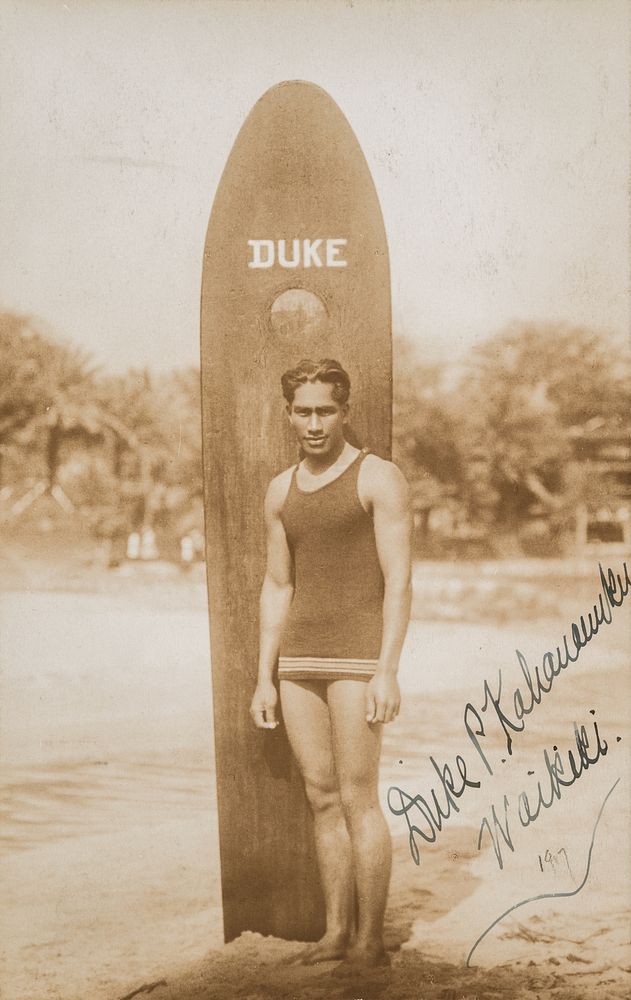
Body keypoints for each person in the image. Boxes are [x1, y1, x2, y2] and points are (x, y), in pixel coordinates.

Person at [249, 358, 412, 968]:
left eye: (325, 410)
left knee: (358, 796)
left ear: (344, 410)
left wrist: (387, 668)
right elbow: (276, 585)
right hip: (298, 662)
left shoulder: (379, 478)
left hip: (356, 658)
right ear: (288, 413)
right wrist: (264, 675)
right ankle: (334, 933)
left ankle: (370, 940)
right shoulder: (279, 489)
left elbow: (399, 582)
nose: (314, 423)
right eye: (303, 411)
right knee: (320, 797)